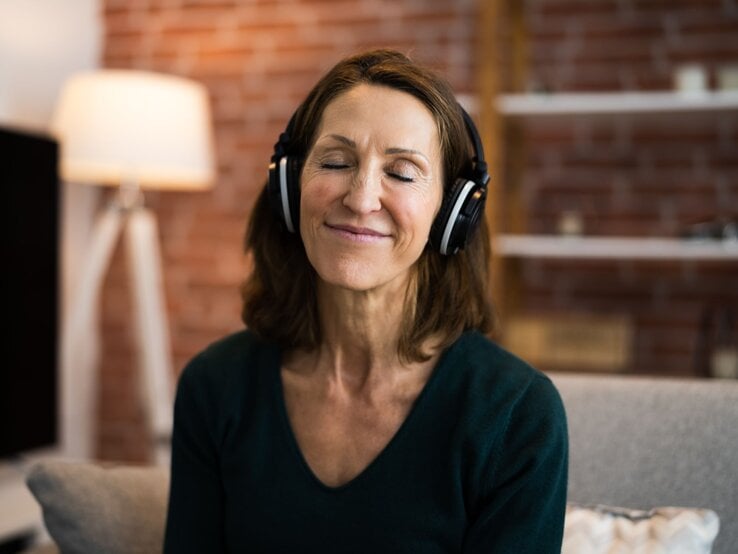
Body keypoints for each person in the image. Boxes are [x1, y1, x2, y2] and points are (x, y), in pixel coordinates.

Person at [163, 49, 568, 553]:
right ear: (290, 186)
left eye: (401, 172)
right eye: (335, 162)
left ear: (450, 215)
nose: (360, 198)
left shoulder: (516, 415)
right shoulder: (215, 387)